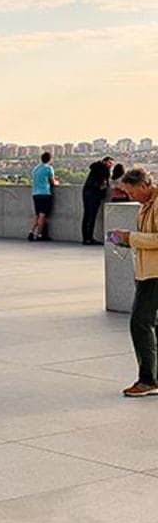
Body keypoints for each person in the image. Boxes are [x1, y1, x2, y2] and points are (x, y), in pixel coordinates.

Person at [108, 169, 158, 397]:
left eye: (131, 192)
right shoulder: (146, 206)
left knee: (140, 323)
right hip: (146, 271)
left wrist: (131, 238)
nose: (130, 197)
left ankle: (148, 380)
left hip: (155, 275)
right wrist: (125, 241)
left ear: (145, 185)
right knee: (152, 324)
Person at [81, 155, 114, 245]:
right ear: (105, 161)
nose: (110, 165)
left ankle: (85, 238)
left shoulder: (95, 167)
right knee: (92, 216)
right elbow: (105, 182)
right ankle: (89, 238)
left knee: (87, 215)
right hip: (95, 193)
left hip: (87, 191)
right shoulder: (104, 169)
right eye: (110, 163)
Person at [28, 151, 57, 241]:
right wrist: (56, 182)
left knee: (37, 215)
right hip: (44, 193)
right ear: (50, 159)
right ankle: (40, 235)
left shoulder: (35, 169)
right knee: (42, 215)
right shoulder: (48, 168)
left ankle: (31, 232)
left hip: (35, 193)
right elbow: (53, 182)